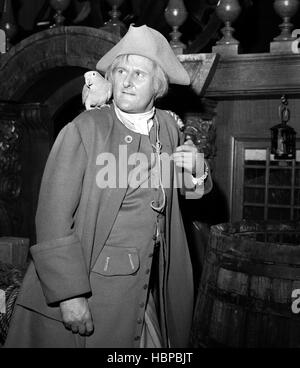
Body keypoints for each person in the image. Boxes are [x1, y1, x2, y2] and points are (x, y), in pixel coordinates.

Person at [5, 24, 212, 348]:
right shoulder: (85, 129)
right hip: (93, 287)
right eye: (120, 71)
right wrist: (69, 295)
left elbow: (189, 195)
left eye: (139, 74)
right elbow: (52, 218)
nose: (127, 81)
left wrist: (197, 171)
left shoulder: (169, 128)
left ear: (158, 85)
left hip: (147, 290)